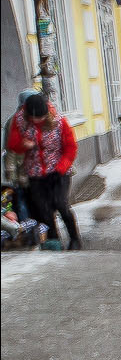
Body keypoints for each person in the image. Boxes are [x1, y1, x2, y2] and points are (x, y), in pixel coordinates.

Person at [6, 93, 79, 250]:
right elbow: (12, 144)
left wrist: (61, 168)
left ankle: (75, 238)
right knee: (43, 209)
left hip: (59, 171)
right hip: (35, 173)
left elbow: (71, 148)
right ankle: (54, 241)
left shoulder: (59, 121)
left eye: (40, 118)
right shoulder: (19, 120)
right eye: (34, 118)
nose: (37, 121)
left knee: (61, 204)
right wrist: (23, 145)